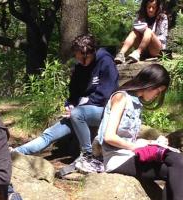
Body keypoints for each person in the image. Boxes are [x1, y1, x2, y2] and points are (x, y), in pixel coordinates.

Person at [13, 34, 119, 173]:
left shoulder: (105, 61)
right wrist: (70, 104)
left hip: (103, 112)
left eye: (82, 57)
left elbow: (105, 95)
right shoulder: (79, 67)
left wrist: (78, 109)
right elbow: (73, 94)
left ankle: (88, 156)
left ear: (91, 52)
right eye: (78, 56)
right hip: (79, 113)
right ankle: (15, 152)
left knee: (77, 114)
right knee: (49, 135)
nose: (80, 60)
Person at [97, 64, 183, 200]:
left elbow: (129, 139)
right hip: (117, 159)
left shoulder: (136, 103)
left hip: (129, 154)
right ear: (150, 85)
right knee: (177, 164)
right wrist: (136, 146)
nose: (157, 96)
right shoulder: (121, 98)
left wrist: (152, 142)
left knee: (179, 166)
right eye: (158, 92)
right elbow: (109, 137)